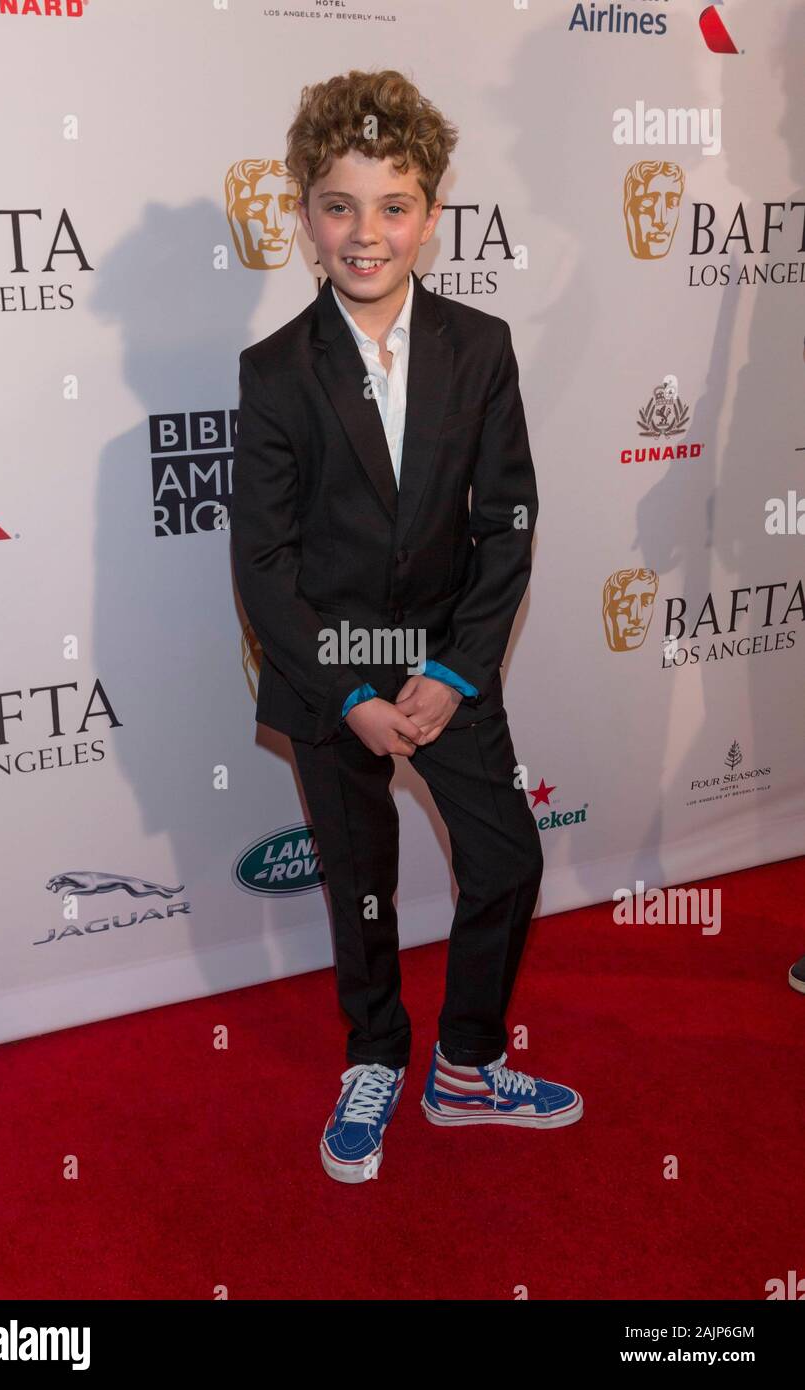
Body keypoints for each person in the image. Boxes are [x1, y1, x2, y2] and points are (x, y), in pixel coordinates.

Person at [230, 68, 583, 1185]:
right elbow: (262, 562)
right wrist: (351, 694)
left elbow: (508, 524)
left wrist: (453, 670)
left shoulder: (479, 349)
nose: (364, 232)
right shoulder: (276, 371)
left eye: (391, 206)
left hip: (445, 665)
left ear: (430, 214)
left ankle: (466, 1065)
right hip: (328, 677)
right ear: (303, 215)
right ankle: (375, 1053)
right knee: (362, 881)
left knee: (507, 860)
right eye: (338, 205)